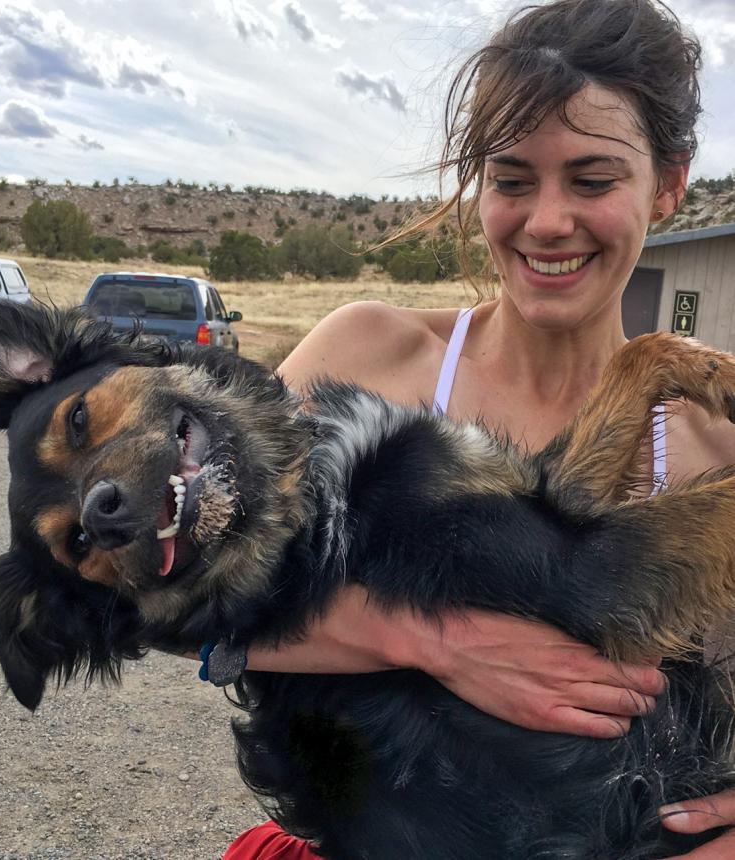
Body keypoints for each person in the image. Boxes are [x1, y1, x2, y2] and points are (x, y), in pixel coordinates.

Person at [220, 0, 735, 856]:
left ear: (670, 183)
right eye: (512, 178)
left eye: (594, 179)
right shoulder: (370, 359)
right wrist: (431, 639)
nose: (546, 222)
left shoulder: (712, 442)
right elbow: (164, 594)